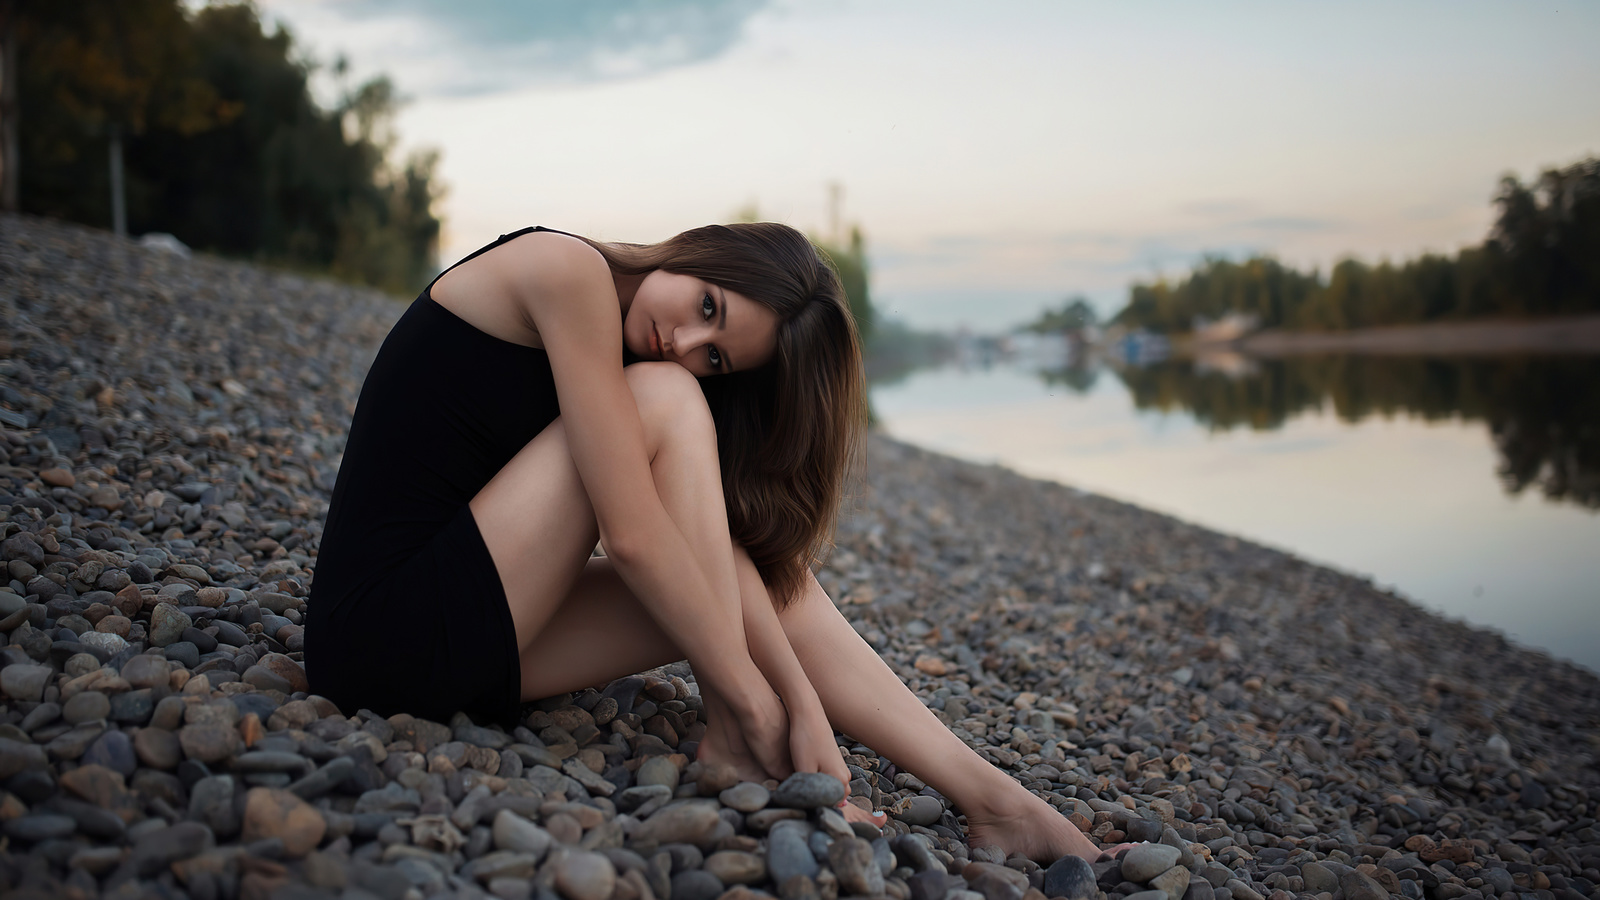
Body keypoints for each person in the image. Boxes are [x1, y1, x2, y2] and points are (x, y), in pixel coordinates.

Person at [306, 223, 1119, 863]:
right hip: (383, 630)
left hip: (468, 638)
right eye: (707, 309)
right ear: (704, 251)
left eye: (717, 356)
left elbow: (715, 556)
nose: (687, 347)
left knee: (751, 561)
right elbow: (631, 537)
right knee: (659, 402)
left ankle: (999, 803)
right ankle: (738, 736)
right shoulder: (565, 270)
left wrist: (805, 709)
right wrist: (751, 706)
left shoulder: (629, 343)